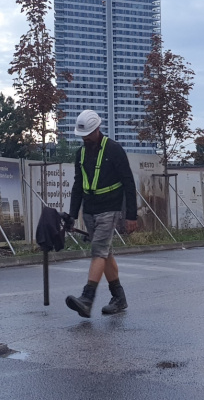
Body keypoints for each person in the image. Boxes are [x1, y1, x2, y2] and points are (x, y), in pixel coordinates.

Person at [65, 109, 137, 318]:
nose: (85, 138)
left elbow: (128, 182)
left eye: (88, 134)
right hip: (90, 210)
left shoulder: (114, 150)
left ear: (97, 129)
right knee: (105, 253)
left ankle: (87, 298)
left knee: (98, 251)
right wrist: (72, 215)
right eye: (82, 135)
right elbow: (78, 185)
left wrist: (131, 215)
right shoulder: (81, 153)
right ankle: (119, 297)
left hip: (110, 208)